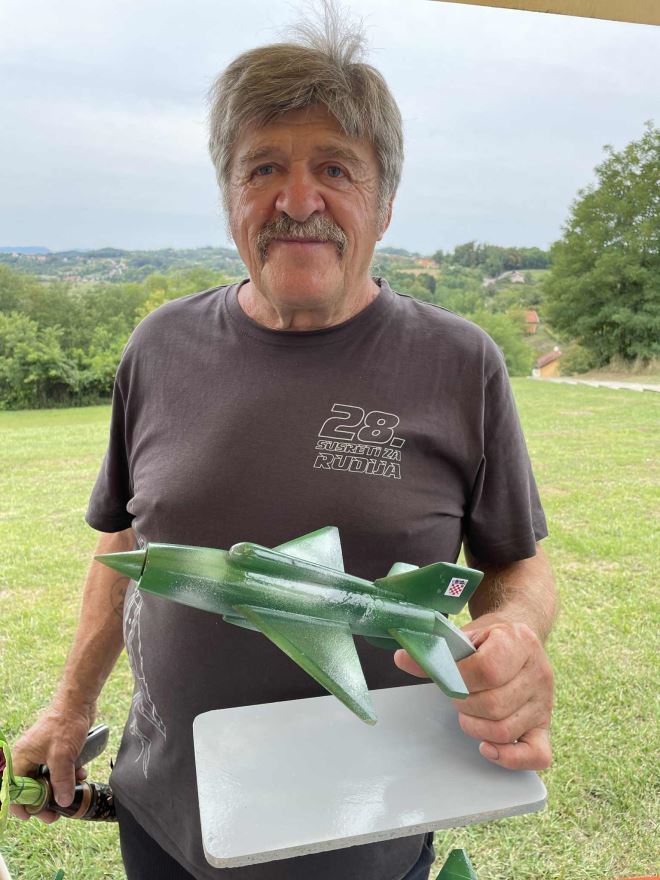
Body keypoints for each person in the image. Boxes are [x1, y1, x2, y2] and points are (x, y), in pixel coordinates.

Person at [12, 7, 557, 880]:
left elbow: (515, 565)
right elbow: (125, 539)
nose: (297, 201)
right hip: (165, 819)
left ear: (384, 204)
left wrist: (515, 632)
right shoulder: (158, 346)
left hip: (362, 836)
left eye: (334, 168)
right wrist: (71, 706)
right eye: (263, 167)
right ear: (229, 197)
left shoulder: (461, 363)